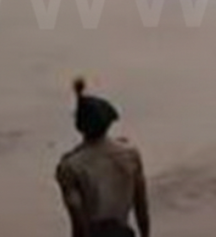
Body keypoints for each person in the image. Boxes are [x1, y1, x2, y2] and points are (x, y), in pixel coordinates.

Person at [55, 78, 151, 237]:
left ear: (79, 127)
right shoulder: (130, 154)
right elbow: (141, 207)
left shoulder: (70, 166)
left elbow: (77, 220)